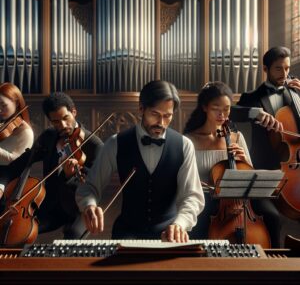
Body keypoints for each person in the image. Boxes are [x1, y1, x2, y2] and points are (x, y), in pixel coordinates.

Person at [76, 80, 205, 242]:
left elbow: (193, 196)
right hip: (126, 233)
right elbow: (89, 187)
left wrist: (180, 223)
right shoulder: (115, 143)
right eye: (155, 114)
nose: (161, 123)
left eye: (167, 116)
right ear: (141, 109)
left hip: (170, 235)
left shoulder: (184, 146)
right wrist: (89, 205)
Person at [184, 81, 280, 247]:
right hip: (206, 197)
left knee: (272, 215)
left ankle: (273, 262)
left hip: (239, 197)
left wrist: (243, 161)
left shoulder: (236, 137)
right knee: (199, 223)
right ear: (205, 107)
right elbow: (184, 177)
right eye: (216, 108)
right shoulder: (190, 140)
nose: (222, 114)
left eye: (227, 109)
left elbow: (250, 174)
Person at [0, 92, 103, 239]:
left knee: (73, 236)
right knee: (17, 231)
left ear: (74, 112)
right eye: (55, 122)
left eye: (66, 118)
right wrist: (2, 184)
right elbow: (23, 161)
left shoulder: (94, 145)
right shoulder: (49, 137)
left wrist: (70, 176)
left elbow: (96, 182)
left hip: (79, 208)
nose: (62, 125)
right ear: (50, 121)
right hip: (52, 206)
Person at [237, 46, 300, 170]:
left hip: (294, 164)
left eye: (287, 68)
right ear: (266, 69)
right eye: (278, 69)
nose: (284, 74)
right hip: (264, 165)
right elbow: (232, 113)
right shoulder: (252, 97)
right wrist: (256, 113)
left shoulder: (296, 93)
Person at [0, 82, 34, 200]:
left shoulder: (26, 132)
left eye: (3, 105)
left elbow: (15, 161)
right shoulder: (4, 124)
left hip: (8, 181)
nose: (0, 110)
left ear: (16, 102)